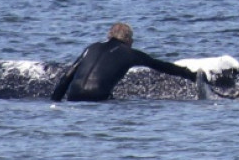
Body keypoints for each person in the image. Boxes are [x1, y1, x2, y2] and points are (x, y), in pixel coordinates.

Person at [51, 22, 197, 102]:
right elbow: (160, 65)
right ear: (129, 40)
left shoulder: (91, 47)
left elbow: (67, 76)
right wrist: (190, 75)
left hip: (73, 96)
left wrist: (54, 101)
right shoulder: (129, 53)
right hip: (97, 99)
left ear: (109, 35)